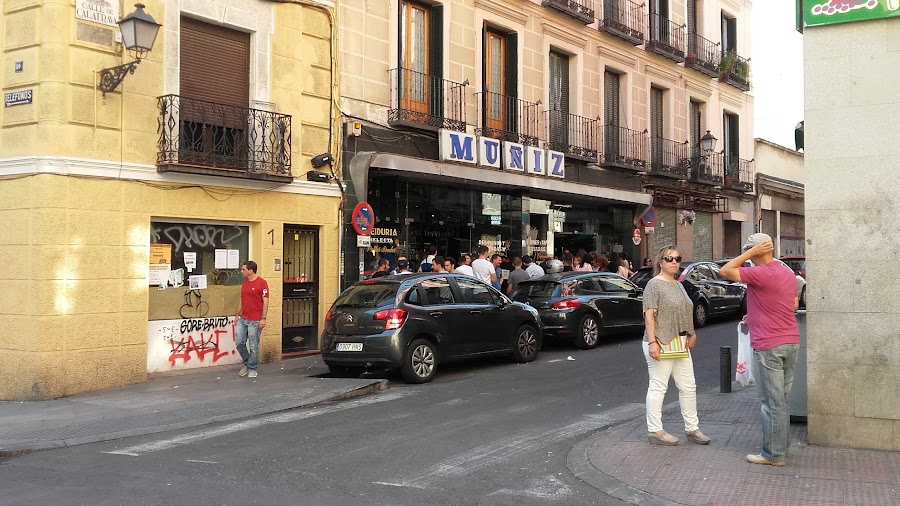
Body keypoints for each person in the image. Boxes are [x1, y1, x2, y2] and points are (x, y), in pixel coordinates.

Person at [719, 233, 800, 467]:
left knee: (770, 402)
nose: (749, 258)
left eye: (750, 251)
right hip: (790, 341)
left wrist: (749, 254)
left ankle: (772, 454)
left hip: (768, 345)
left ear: (756, 251)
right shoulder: (785, 272)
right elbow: (790, 304)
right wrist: (753, 316)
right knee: (781, 400)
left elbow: (725, 271)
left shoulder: (760, 272)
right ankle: (782, 447)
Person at [641, 245, 709, 446]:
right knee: (658, 386)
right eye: (669, 259)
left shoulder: (679, 284)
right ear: (660, 261)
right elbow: (649, 315)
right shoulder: (654, 284)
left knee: (689, 386)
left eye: (677, 259)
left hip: (680, 343)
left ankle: (692, 428)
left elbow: (686, 312)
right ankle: (655, 431)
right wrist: (653, 342)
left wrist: (692, 333)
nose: (674, 262)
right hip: (660, 342)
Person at [235, 261, 269, 379]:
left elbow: (265, 301)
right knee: (239, 342)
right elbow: (241, 300)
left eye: (243, 269)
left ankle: (252, 368)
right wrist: (237, 315)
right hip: (244, 318)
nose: (241, 271)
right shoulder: (244, 283)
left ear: (251, 271)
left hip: (255, 319)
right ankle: (247, 363)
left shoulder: (262, 283)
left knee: (254, 345)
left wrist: (263, 318)